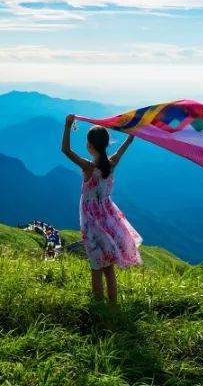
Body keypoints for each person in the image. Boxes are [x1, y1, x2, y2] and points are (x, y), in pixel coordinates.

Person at [61, 114, 142, 304]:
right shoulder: (111, 163)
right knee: (108, 268)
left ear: (90, 146)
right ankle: (112, 306)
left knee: (96, 267)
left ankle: (98, 305)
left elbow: (65, 149)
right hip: (109, 219)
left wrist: (67, 125)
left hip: (92, 222)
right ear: (105, 145)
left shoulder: (89, 167)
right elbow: (122, 150)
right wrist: (130, 137)